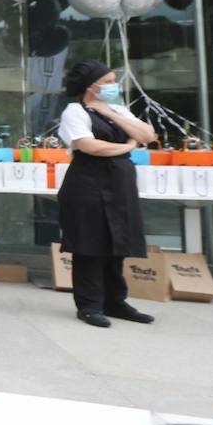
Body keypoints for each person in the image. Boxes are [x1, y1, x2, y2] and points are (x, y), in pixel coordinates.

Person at [57, 60, 158, 328]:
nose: (115, 86)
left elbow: (147, 134)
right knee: (90, 244)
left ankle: (116, 302)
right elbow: (89, 145)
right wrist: (126, 147)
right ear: (92, 86)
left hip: (120, 184)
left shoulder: (118, 109)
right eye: (110, 81)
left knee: (118, 243)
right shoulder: (74, 111)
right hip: (87, 184)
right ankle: (89, 305)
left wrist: (110, 113)